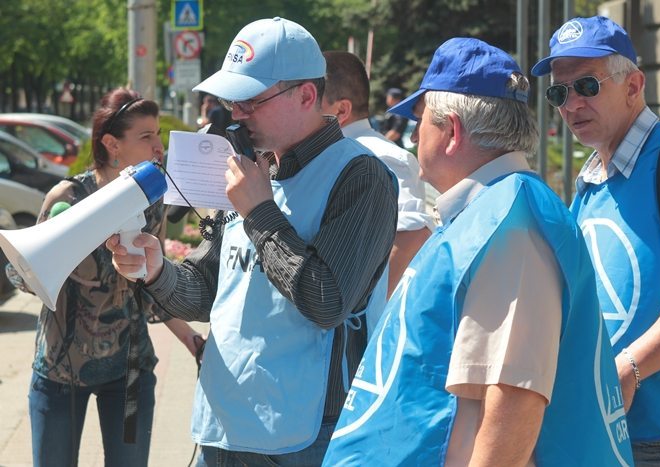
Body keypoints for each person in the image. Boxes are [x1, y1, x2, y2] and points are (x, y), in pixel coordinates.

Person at [323, 37, 633, 466]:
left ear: (451, 131)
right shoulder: (494, 212)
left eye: (420, 125)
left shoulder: (511, 223)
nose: (413, 141)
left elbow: (514, 400)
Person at [107, 17, 398, 466]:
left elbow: (327, 301)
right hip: (224, 425)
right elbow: (208, 291)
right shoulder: (250, 170)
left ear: (306, 95)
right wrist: (157, 269)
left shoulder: (361, 176)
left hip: (302, 437)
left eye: (250, 100)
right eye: (231, 100)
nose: (235, 113)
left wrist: (259, 211)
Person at [532, 15, 660, 464]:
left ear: (634, 85)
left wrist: (627, 371)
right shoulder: (590, 181)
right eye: (558, 92)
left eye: (586, 86)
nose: (570, 105)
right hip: (598, 424)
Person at [6, 87, 203, 467]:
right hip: (61, 375)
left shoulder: (151, 201)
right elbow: (20, 270)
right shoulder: (68, 196)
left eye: (158, 134)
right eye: (146, 137)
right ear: (112, 144)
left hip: (129, 374)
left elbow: (152, 288)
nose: (157, 146)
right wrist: (44, 256)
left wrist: (193, 341)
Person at [321, 50, 433, 301]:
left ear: (341, 111)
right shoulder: (332, 153)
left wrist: (355, 316)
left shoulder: (384, 157)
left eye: (311, 102)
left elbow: (409, 237)